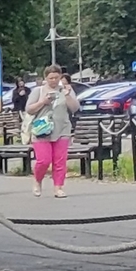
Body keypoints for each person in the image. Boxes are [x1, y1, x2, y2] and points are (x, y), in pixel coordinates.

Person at [26, 65, 79, 199]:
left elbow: (74, 108)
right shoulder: (38, 91)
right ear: (46, 78)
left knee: (59, 160)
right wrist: (43, 102)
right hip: (42, 130)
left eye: (56, 77)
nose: (54, 80)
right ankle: (37, 180)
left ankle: (58, 187)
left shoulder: (66, 90)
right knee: (44, 160)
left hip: (62, 129)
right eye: (51, 78)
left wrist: (67, 96)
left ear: (60, 77)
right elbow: (29, 109)